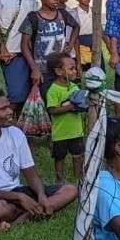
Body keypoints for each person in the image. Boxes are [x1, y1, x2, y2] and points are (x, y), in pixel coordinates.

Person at [0, 87, 77, 231]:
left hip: (13, 191)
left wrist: (41, 195)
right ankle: (30, 212)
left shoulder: (16, 134)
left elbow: (31, 175)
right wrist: (19, 197)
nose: (10, 111)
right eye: (3, 109)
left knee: (70, 190)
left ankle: (20, 220)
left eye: (9, 107)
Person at [20, 0, 79, 97]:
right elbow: (24, 45)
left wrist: (70, 44)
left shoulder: (62, 14)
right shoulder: (33, 18)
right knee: (46, 100)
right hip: (43, 71)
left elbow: (76, 26)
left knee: (64, 98)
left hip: (61, 70)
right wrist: (34, 68)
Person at [45, 50, 85, 184]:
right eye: (71, 69)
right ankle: (60, 180)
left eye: (75, 68)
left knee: (77, 155)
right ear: (59, 71)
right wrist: (70, 107)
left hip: (76, 131)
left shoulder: (74, 87)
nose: (75, 71)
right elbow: (52, 110)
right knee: (59, 157)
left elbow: (81, 104)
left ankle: (77, 177)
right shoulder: (53, 90)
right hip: (60, 133)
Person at [72, 0, 95, 67]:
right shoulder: (74, 13)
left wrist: (108, 44)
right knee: (81, 69)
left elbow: (100, 29)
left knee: (97, 70)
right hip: (80, 44)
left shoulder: (94, 11)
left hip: (94, 44)